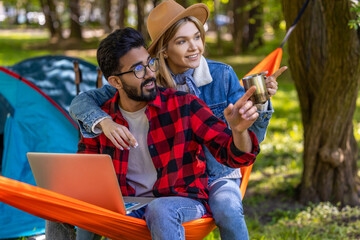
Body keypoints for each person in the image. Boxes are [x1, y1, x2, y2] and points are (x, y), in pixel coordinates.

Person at [69, 1, 287, 239]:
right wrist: (105, 122)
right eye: (182, 41)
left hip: (217, 171)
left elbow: (246, 134)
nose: (194, 47)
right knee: (72, 212)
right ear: (163, 50)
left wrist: (260, 101)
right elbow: (84, 101)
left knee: (227, 209)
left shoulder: (220, 75)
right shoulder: (149, 80)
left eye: (197, 37)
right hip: (175, 174)